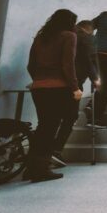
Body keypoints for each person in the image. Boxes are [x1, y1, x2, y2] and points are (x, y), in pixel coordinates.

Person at [24, 9, 81, 182]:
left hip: (39, 88)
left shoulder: (40, 37)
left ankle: (31, 168)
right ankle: (41, 169)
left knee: (43, 127)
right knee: (51, 128)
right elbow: (68, 64)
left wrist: (39, 80)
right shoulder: (69, 36)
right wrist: (75, 87)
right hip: (58, 88)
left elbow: (30, 65)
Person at [51, 20, 99, 167]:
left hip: (52, 82)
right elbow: (90, 60)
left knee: (51, 118)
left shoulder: (58, 36)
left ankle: (43, 151)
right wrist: (95, 78)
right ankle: (56, 150)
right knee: (70, 116)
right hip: (73, 83)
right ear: (89, 29)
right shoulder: (86, 38)